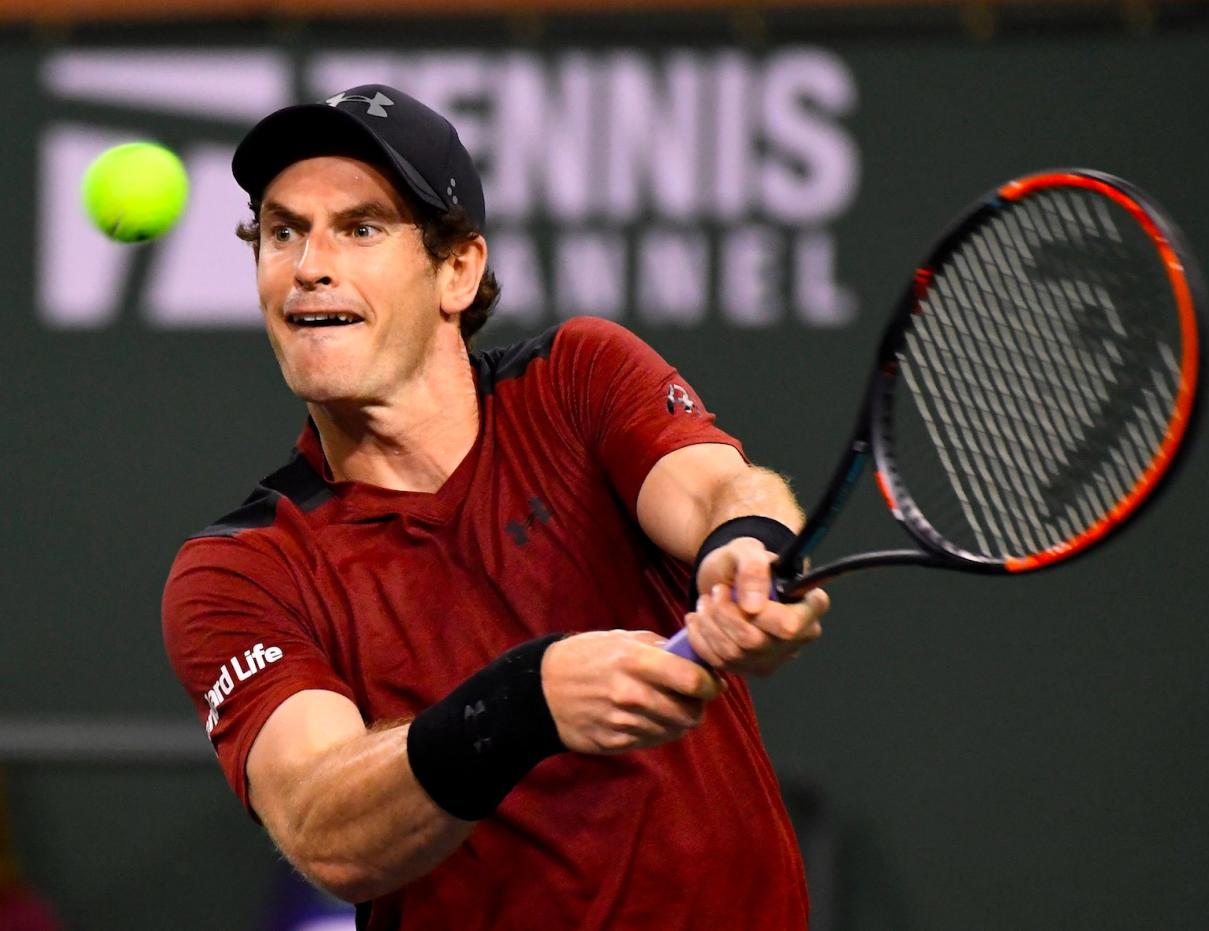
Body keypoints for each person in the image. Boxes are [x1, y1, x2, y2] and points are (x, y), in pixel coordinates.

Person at [162, 84, 830, 931]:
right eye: (283, 231)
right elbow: (325, 826)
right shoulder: (242, 567)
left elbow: (718, 488)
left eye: (360, 228)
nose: (307, 267)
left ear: (457, 270)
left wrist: (747, 546)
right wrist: (525, 702)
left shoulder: (575, 378)